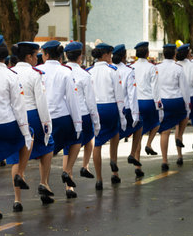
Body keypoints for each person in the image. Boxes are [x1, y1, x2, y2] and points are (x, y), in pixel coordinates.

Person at [0, 35, 32, 219]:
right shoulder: (12, 75)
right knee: (29, 137)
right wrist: (25, 132)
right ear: (6, 57)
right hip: (8, 123)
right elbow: (19, 106)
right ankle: (21, 173)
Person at [7, 41, 55, 206]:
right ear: (29, 56)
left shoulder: (10, 72)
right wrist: (47, 124)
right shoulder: (35, 74)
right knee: (47, 147)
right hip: (32, 114)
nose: (37, 59)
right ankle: (44, 183)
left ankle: (17, 199)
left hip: (14, 116)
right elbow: (41, 102)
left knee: (16, 158)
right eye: (36, 56)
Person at [37, 40, 83, 198]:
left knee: (46, 153)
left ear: (47, 54)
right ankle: (67, 171)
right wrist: (77, 124)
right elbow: (72, 100)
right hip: (62, 117)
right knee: (76, 141)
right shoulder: (66, 71)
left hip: (42, 118)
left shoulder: (37, 70)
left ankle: (45, 184)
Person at [88, 43, 126, 190]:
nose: (111, 57)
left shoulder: (89, 71)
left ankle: (99, 178)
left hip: (96, 107)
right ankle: (114, 167)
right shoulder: (113, 70)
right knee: (114, 133)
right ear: (104, 55)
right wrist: (122, 116)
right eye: (109, 54)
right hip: (110, 106)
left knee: (97, 143)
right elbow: (119, 95)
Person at [64, 42, 100, 182]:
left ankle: (69, 185)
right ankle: (85, 165)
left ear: (66, 55)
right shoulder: (84, 75)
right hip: (83, 114)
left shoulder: (62, 71)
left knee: (68, 149)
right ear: (80, 57)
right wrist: (96, 121)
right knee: (90, 137)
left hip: (66, 114)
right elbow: (90, 101)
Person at [156, 44, 190, 171]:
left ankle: (164, 161)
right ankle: (179, 144)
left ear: (164, 54)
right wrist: (187, 106)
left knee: (164, 132)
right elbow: (184, 89)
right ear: (174, 54)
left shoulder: (157, 68)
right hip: (177, 100)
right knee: (183, 119)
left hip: (164, 101)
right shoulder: (178, 68)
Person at [112, 44, 144, 177]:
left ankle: (115, 172)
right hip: (127, 108)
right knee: (139, 125)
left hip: (113, 108)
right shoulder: (128, 71)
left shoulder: (111, 69)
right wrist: (136, 114)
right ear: (125, 56)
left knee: (115, 137)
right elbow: (132, 94)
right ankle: (132, 153)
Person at [132, 41, 161, 163]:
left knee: (137, 132)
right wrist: (158, 104)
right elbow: (155, 88)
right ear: (148, 53)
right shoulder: (152, 67)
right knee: (156, 123)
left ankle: (137, 162)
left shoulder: (131, 66)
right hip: (148, 101)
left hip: (135, 101)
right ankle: (149, 143)